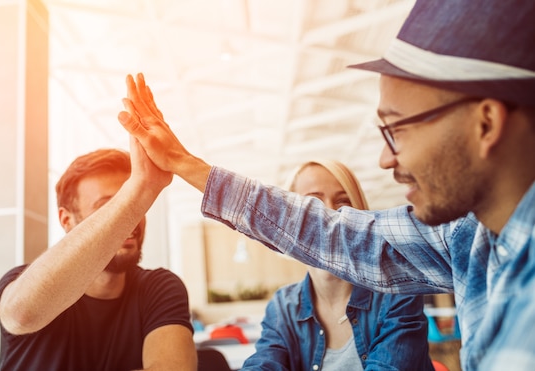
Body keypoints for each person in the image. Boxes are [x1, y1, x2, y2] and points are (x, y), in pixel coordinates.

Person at [116, 1, 535, 370]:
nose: (385, 159)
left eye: (396, 132)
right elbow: (334, 235)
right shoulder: (466, 239)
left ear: (486, 124)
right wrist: (186, 165)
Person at [0, 147, 197, 371]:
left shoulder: (158, 288)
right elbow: (21, 315)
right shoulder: (25, 282)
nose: (128, 219)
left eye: (134, 204)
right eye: (109, 208)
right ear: (66, 220)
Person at [242, 161, 433, 371]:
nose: (329, 213)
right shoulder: (283, 307)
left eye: (343, 202)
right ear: (288, 222)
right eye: (312, 204)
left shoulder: (398, 292)